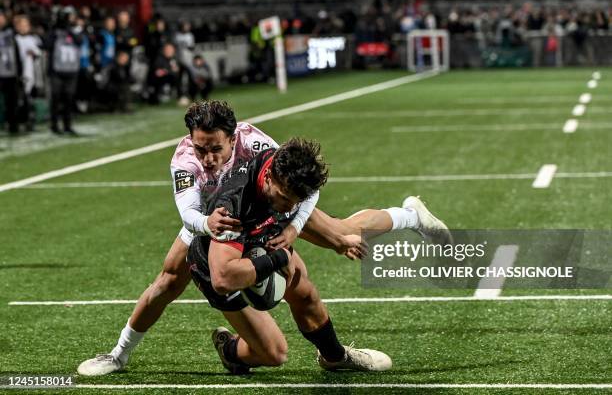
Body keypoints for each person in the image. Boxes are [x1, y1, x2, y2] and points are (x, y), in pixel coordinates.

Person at [77, 100, 450, 376]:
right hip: (216, 219)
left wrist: (292, 227)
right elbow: (188, 214)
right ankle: (118, 354)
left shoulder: (258, 146)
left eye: (215, 148)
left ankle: (410, 215)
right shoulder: (185, 164)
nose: (206, 157)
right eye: (199, 147)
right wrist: (209, 226)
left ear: (234, 137)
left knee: (339, 235)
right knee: (168, 280)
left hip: (269, 206)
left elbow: (305, 186)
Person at [187, 138, 392, 373]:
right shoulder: (232, 205)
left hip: (258, 239)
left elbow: (302, 211)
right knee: (274, 353)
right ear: (267, 178)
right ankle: (230, 351)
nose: (288, 207)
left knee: (304, 291)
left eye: (295, 202)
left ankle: (335, 357)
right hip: (215, 264)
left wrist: (338, 242)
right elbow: (223, 279)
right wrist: (279, 259)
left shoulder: (284, 175)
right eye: (284, 198)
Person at [46, 8, 81, 135]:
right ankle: (54, 124)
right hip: (57, 70)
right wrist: (55, 29)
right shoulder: (54, 32)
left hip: (71, 70)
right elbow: (47, 45)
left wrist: (69, 29)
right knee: (55, 98)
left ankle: (67, 125)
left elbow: (79, 41)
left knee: (68, 98)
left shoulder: (73, 31)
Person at [14, 14, 41, 131]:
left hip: (30, 72)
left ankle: (30, 121)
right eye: (21, 25)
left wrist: (33, 53)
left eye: (26, 25)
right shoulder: (14, 39)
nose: (24, 27)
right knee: (19, 99)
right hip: (17, 73)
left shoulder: (33, 39)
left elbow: (38, 53)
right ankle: (18, 121)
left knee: (29, 98)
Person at [0, 10, 22, 135]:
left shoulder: (11, 32)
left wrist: (19, 70)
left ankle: (13, 126)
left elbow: (17, 53)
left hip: (11, 73)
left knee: (12, 102)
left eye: (1, 17)